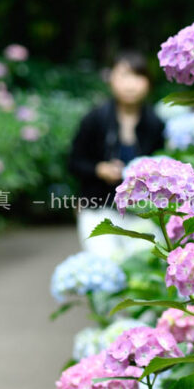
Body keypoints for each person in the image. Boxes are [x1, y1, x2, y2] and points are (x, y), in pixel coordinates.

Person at [68, 51, 165, 262]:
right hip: (98, 207)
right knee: (105, 264)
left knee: (146, 268)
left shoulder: (155, 123)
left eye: (137, 76)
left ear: (148, 82)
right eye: (123, 76)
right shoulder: (94, 119)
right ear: (111, 79)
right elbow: (74, 162)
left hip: (142, 213)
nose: (130, 84)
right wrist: (98, 169)